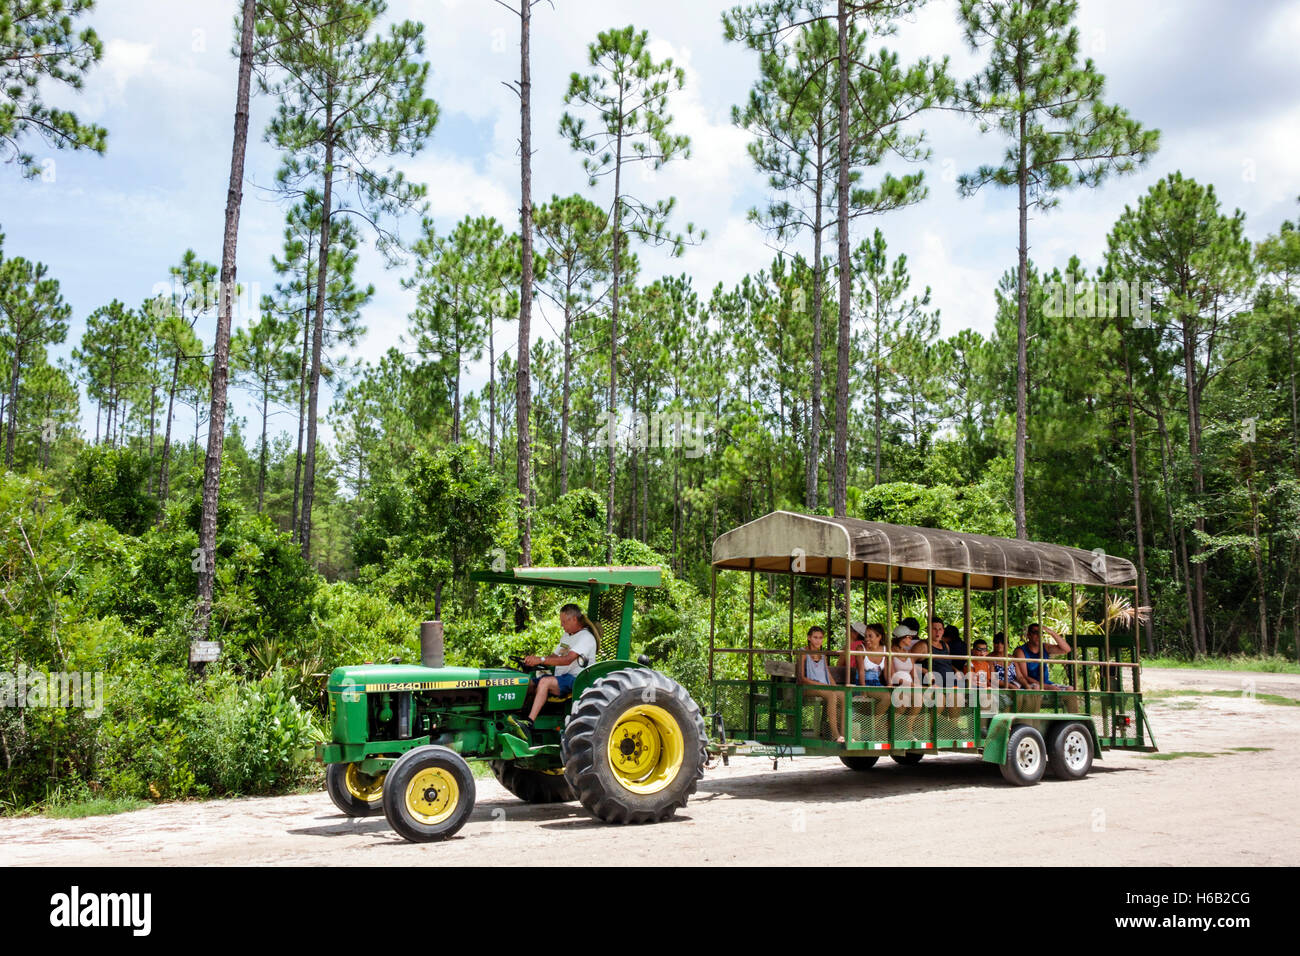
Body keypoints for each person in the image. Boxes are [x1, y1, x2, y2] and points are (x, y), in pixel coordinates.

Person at [510, 603, 599, 741]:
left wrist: (541, 660)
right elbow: (555, 656)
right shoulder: (567, 635)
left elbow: (567, 660)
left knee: (545, 682)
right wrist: (534, 660)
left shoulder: (585, 638)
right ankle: (517, 717)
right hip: (561, 677)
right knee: (526, 683)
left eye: (564, 622)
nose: (562, 625)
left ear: (574, 619)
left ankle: (529, 723)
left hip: (576, 680)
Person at [797, 626, 844, 743]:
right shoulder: (803, 653)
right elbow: (802, 678)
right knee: (831, 695)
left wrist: (835, 687)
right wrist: (820, 685)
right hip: (809, 687)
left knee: (844, 696)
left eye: (821, 638)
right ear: (809, 638)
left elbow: (827, 674)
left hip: (824, 687)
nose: (818, 640)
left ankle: (844, 734)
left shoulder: (823, 654)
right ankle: (835, 735)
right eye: (815, 637)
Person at [1013, 622, 1073, 691]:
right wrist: (1045, 687)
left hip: (1046, 683)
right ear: (1028, 635)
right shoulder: (1021, 651)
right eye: (1035, 633)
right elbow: (1024, 676)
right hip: (1029, 684)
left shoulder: (1045, 647)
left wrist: (1051, 633)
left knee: (1070, 689)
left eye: (1041, 633)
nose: (1038, 636)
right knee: (1038, 688)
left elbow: (1066, 650)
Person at [840, 621, 870, 685]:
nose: (847, 632)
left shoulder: (848, 647)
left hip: (850, 678)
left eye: (850, 630)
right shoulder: (867, 646)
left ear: (855, 633)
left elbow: (839, 665)